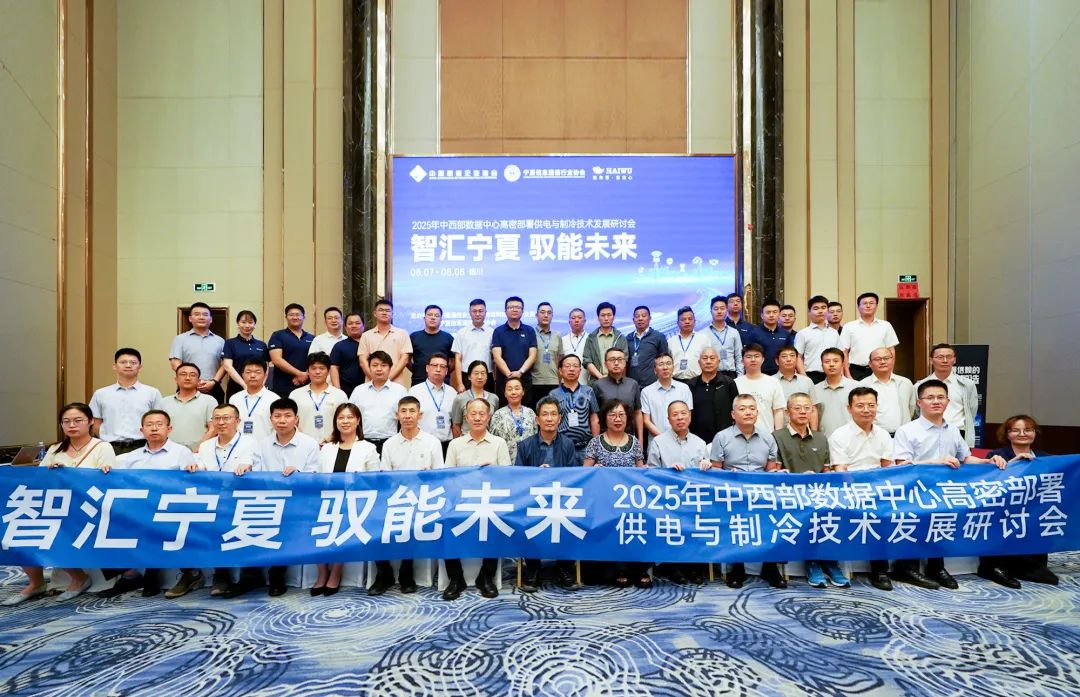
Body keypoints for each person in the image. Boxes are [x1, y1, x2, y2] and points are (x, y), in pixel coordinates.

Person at [889, 380, 1007, 591]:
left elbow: (965, 458)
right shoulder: (906, 430)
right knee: (914, 523)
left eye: (940, 397)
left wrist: (987, 461)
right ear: (919, 403)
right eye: (930, 397)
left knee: (941, 523)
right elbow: (902, 465)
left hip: (945, 490)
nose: (936, 401)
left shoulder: (952, 429)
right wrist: (935, 462)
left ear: (948, 401)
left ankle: (936, 567)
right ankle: (906, 568)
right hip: (915, 490)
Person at [2, 403, 115, 606]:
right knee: (16, 529)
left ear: (90, 422)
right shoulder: (55, 449)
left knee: (56, 530)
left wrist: (74, 476)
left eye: (78, 420)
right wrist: (52, 473)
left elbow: (106, 483)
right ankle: (36, 583)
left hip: (87, 508)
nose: (72, 425)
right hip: (56, 506)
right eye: (66, 421)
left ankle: (79, 578)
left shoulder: (102, 447)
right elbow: (40, 482)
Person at [104, 410, 197, 598]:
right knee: (105, 522)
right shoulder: (131, 457)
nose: (154, 428)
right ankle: (129, 574)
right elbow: (120, 482)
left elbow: (190, 484)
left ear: (169, 429)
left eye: (159, 424)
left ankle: (163, 574)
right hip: (139, 509)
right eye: (149, 425)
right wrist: (106, 470)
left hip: (171, 509)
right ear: (141, 430)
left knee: (160, 525)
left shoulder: (181, 452)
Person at [706, 395, 784, 589]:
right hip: (733, 494)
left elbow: (770, 470)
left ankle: (770, 567)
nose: (748, 412)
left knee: (775, 517)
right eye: (742, 409)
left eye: (752, 408)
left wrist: (777, 473)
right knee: (735, 520)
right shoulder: (722, 437)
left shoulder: (768, 437)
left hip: (761, 494)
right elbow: (715, 471)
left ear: (757, 412)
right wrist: (728, 476)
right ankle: (737, 567)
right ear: (733, 414)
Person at [245, 398, 321, 598]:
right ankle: (251, 575)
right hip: (269, 500)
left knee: (286, 527)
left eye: (287, 416)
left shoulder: (310, 444)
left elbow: (316, 475)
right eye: (277, 416)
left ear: (296, 419)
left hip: (299, 501)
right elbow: (257, 473)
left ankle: (277, 575)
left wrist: (299, 474)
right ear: (270, 419)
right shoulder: (261, 444)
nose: (282, 420)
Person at [772, 393, 849, 589]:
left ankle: (830, 563)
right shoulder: (777, 437)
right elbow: (774, 471)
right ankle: (812, 563)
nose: (803, 412)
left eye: (807, 408)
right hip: (789, 494)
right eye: (797, 408)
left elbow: (826, 471)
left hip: (818, 493)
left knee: (835, 512)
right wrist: (798, 478)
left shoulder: (821, 438)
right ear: (788, 413)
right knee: (808, 514)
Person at [372, 396, 444, 595]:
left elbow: (441, 477)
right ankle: (383, 573)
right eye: (403, 411)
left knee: (412, 520)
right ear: (397, 415)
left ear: (420, 415)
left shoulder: (432, 442)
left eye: (412, 411)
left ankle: (406, 573)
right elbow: (385, 478)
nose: (407, 416)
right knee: (373, 520)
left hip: (423, 499)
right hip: (395, 498)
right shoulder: (389, 444)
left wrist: (428, 476)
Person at [442, 398, 512, 600]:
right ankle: (456, 578)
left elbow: (508, 477)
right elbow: (448, 477)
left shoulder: (499, 443)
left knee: (497, 521)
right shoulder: (455, 444)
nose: (478, 418)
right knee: (445, 522)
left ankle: (486, 576)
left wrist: (494, 471)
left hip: (490, 500)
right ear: (466, 417)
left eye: (482, 414)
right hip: (460, 500)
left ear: (488, 417)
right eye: (473, 414)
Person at [828, 386, 896, 590]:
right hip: (850, 490)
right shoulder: (839, 435)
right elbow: (841, 471)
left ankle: (883, 570)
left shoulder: (883, 435)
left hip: (879, 489)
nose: (866, 410)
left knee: (893, 512)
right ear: (849, 408)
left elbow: (887, 468)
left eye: (871, 405)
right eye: (860, 406)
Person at [192, 403, 262, 598]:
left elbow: (254, 465)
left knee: (246, 536)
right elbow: (200, 467)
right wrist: (193, 467)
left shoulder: (250, 443)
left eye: (226, 418)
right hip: (214, 500)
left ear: (237, 421)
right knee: (215, 536)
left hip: (242, 500)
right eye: (217, 418)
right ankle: (220, 575)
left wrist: (248, 467)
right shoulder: (206, 446)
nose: (221, 422)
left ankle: (250, 576)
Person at [982, 415, 1058, 586]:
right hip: (1004, 512)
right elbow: (989, 481)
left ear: (1035, 433)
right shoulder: (997, 455)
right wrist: (1013, 463)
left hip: (1034, 512)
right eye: (1015, 430)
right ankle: (994, 567)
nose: (1022, 434)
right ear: (1007, 434)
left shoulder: (1045, 458)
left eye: (1028, 430)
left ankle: (1028, 565)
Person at [314, 403, 379, 596]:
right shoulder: (327, 448)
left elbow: (375, 479)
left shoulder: (368, 448)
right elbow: (317, 475)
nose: (345, 421)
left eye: (350, 417)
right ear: (335, 421)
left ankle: (336, 571)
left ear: (358, 420)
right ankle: (322, 572)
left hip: (354, 503)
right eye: (341, 417)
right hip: (326, 500)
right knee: (316, 527)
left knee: (343, 526)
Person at [515, 396, 579, 592]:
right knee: (526, 520)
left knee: (569, 518)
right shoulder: (525, 445)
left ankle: (564, 569)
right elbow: (518, 479)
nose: (549, 418)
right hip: (533, 501)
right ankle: (533, 571)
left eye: (553, 414)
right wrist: (537, 475)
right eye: (545, 414)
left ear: (560, 418)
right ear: (537, 419)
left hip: (561, 500)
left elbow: (574, 477)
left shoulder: (568, 444)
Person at [583, 399, 648, 588]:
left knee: (639, 522)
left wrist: (645, 470)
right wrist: (594, 470)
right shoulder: (595, 443)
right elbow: (583, 473)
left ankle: (639, 569)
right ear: (605, 418)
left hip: (630, 501)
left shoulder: (634, 442)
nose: (617, 419)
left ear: (627, 418)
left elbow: (641, 471)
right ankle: (618, 570)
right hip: (604, 501)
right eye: (612, 415)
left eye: (621, 415)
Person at [647, 400, 711, 586]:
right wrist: (668, 471)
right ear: (668, 419)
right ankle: (672, 567)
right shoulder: (658, 442)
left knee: (696, 526)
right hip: (667, 500)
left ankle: (693, 566)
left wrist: (706, 466)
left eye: (683, 413)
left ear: (690, 416)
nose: (680, 418)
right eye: (675, 414)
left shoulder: (700, 443)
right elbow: (650, 473)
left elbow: (708, 476)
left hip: (693, 500)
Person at [90, 348, 165, 455]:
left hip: (143, 446)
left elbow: (159, 421)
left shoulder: (152, 393)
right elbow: (95, 423)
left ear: (140, 367)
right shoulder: (101, 394)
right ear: (114, 366)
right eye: (123, 362)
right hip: (110, 448)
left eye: (133, 363)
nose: (128, 365)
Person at [915, 343, 978, 447]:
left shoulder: (967, 384)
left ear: (954, 360)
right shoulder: (920, 385)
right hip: (928, 433)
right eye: (940, 357)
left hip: (959, 433)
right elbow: (917, 411)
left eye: (948, 357)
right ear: (931, 360)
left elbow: (972, 411)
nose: (945, 360)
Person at [348, 350, 407, 454]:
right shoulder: (359, 390)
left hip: (391, 443)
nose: (379, 369)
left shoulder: (400, 391)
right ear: (369, 368)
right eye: (375, 365)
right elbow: (349, 415)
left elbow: (406, 417)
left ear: (390, 368)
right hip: (364, 443)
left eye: (383, 365)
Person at [548, 354, 601, 465]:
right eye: (567, 366)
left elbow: (594, 419)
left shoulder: (588, 391)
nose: (571, 369)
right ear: (560, 370)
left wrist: (595, 446)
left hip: (585, 448)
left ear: (580, 370)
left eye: (575, 366)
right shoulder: (553, 394)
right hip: (561, 447)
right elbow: (551, 421)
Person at [169, 301, 226, 402]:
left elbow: (224, 365)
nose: (201, 317)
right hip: (187, 386)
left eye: (205, 315)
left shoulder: (220, 341)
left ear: (211, 319)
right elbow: (175, 363)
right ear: (190, 318)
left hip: (213, 387)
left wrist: (214, 382)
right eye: (197, 314)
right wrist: (192, 380)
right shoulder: (180, 339)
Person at [290, 352, 348, 443]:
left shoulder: (339, 395)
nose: (317, 372)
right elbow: (291, 423)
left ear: (328, 371)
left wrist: (328, 441)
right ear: (308, 371)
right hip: (303, 445)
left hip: (332, 445)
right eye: (313, 368)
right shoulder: (295, 395)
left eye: (322, 368)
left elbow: (345, 422)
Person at [840, 292, 898, 380]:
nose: (868, 306)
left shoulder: (886, 325)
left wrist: (890, 372)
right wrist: (847, 375)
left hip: (880, 369)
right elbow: (844, 352)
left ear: (876, 306)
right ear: (858, 307)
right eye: (864, 303)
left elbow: (891, 350)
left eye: (871, 303)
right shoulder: (849, 326)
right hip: (856, 371)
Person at [491, 295, 538, 404]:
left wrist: (520, 372)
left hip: (524, 378)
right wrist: (509, 375)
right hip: (504, 380)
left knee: (525, 409)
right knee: (504, 409)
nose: (514, 309)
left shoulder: (529, 331)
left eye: (518, 307)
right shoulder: (498, 331)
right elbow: (497, 357)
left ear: (522, 311)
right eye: (511, 307)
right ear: (505, 311)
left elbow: (532, 356)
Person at [859, 346, 916, 435]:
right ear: (870, 364)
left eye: (886, 358)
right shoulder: (862, 385)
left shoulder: (905, 383)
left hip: (903, 436)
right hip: (874, 436)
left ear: (893, 360)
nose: (882, 362)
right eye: (877, 359)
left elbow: (911, 408)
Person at [160, 362, 217, 451]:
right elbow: (159, 428)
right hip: (169, 452)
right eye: (183, 374)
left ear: (198, 381)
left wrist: (200, 448)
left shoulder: (209, 401)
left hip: (199, 452)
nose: (187, 378)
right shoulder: (164, 402)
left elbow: (213, 428)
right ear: (176, 379)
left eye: (192, 375)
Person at [592, 347, 643, 443]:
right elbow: (595, 416)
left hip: (629, 438)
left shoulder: (633, 384)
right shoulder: (598, 385)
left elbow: (637, 413)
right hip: (605, 439)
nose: (616, 363)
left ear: (625, 363)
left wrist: (640, 440)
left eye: (620, 359)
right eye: (612, 360)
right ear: (605, 364)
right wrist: (596, 443)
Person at [687, 347, 738, 444]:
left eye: (712, 358)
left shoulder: (728, 383)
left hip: (725, 439)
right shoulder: (691, 384)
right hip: (697, 439)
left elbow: (736, 410)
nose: (708, 361)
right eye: (705, 358)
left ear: (718, 362)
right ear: (699, 362)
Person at [359, 298, 413, 387]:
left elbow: (404, 360)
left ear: (392, 314)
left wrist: (387, 380)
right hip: (371, 385)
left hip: (396, 384)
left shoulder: (402, 334)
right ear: (375, 313)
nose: (384, 313)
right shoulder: (366, 335)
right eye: (381, 310)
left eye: (388, 310)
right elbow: (363, 361)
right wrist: (375, 380)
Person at [408, 352, 454, 454]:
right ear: (427, 368)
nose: (438, 369)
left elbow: (455, 423)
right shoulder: (415, 391)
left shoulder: (452, 393)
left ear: (446, 371)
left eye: (442, 366)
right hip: (422, 445)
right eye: (434, 365)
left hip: (446, 445)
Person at [734, 344, 785, 435]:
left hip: (767, 435)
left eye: (757, 356)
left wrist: (778, 435)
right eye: (749, 357)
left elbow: (778, 411)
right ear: (742, 361)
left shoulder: (773, 382)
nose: (753, 359)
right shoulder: (734, 383)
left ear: (763, 359)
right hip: (740, 436)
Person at [641, 353, 694, 438]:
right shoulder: (646, 392)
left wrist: (676, 437)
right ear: (655, 370)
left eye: (668, 363)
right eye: (661, 364)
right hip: (657, 441)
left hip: (681, 439)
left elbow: (688, 416)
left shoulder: (684, 388)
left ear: (673, 367)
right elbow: (646, 421)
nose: (665, 367)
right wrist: (664, 439)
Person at [267, 303, 315, 396]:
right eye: (291, 315)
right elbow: (276, 359)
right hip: (283, 386)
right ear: (286, 317)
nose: (295, 317)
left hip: (308, 385)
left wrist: (306, 375)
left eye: (298, 315)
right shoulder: (278, 335)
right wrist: (299, 374)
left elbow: (316, 360)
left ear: (304, 317)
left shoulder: (312, 338)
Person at [811, 347, 858, 438]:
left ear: (843, 364)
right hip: (824, 439)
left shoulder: (856, 387)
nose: (831, 364)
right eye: (827, 362)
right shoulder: (814, 390)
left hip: (851, 439)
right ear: (822, 366)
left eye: (836, 361)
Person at [222, 309, 268, 401]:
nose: (247, 326)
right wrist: (244, 384)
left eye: (250, 322)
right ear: (238, 323)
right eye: (243, 322)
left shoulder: (261, 344)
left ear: (254, 325)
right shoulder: (230, 343)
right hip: (236, 386)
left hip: (258, 387)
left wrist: (262, 384)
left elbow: (265, 367)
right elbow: (227, 366)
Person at [488, 376, 538, 463]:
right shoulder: (498, 415)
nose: (513, 392)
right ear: (505, 393)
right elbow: (493, 441)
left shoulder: (530, 413)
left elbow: (536, 437)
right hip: (505, 462)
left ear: (523, 392)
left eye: (517, 388)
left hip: (529, 461)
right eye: (509, 389)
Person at [451, 298, 494, 393]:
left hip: (487, 377)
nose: (477, 314)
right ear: (470, 313)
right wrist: (459, 383)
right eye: (474, 311)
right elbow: (458, 359)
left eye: (480, 311)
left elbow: (495, 359)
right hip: (467, 376)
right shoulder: (461, 333)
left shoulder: (493, 333)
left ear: (485, 312)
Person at [794, 295, 840, 383]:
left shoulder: (834, 333)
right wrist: (804, 377)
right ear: (809, 312)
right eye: (816, 308)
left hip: (832, 375)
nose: (820, 311)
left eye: (823, 308)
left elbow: (839, 356)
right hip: (811, 376)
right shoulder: (803, 333)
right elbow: (798, 357)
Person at [228, 359, 278, 440]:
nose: (252, 375)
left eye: (257, 372)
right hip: (239, 445)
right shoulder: (234, 399)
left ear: (265, 375)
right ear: (242, 375)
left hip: (265, 445)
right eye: (248, 372)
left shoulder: (274, 399)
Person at [451, 361, 501, 438]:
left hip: (487, 441)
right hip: (466, 441)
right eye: (476, 373)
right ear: (469, 376)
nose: (480, 377)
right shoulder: (460, 398)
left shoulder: (494, 398)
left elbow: (494, 424)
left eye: (483, 373)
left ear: (487, 376)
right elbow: (456, 426)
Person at [409, 304, 454, 387]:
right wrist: (417, 370)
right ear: (424, 318)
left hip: (442, 382)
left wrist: (441, 371)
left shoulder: (448, 338)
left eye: (436, 316)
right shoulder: (414, 337)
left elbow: (453, 362)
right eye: (430, 315)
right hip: (419, 381)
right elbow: (407, 360)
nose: (433, 318)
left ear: (441, 319)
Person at [582, 302, 628, 382]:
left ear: (613, 317)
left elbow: (624, 360)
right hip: (596, 381)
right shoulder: (591, 338)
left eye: (609, 315)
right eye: (603, 315)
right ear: (598, 318)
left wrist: (617, 379)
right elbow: (587, 361)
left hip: (617, 381)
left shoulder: (621, 338)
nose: (606, 318)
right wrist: (601, 378)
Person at [530, 301, 563, 408]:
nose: (546, 315)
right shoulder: (530, 333)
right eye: (542, 312)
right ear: (536, 315)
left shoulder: (557, 335)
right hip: (534, 382)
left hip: (553, 382)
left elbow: (560, 360)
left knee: (552, 413)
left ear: (552, 316)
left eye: (549, 313)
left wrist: (559, 382)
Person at [626, 305, 669, 386]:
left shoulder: (658, 337)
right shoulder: (628, 338)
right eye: (637, 316)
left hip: (652, 384)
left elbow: (664, 361)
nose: (640, 319)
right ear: (633, 320)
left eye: (644, 316)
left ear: (649, 318)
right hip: (632, 385)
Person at [775, 346, 816, 427]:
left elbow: (813, 409)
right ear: (777, 361)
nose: (789, 359)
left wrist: (814, 431)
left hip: (803, 431)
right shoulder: (770, 381)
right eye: (784, 356)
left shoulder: (807, 381)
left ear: (797, 360)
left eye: (792, 356)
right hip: (778, 430)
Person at [751, 298, 794, 375]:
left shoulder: (785, 334)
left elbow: (791, 354)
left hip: (782, 374)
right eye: (768, 312)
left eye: (775, 312)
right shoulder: (754, 333)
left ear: (779, 315)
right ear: (762, 315)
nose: (771, 315)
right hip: (761, 374)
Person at [329, 312, 366, 396]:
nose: (354, 326)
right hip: (346, 390)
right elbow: (333, 368)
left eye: (357, 323)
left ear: (363, 326)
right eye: (350, 323)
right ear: (345, 327)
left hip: (368, 388)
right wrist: (338, 391)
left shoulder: (370, 343)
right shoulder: (339, 346)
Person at [705, 295, 743, 377]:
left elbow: (739, 356)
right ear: (711, 311)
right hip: (711, 374)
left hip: (731, 374)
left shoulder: (734, 332)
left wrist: (740, 377)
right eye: (716, 309)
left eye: (722, 308)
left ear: (727, 310)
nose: (719, 311)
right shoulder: (703, 334)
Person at [670, 306, 705, 381]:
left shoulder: (703, 340)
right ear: (677, 323)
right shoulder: (670, 342)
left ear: (695, 321)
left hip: (698, 381)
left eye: (690, 319)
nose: (687, 322)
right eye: (683, 319)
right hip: (676, 380)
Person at [564, 308, 590, 373]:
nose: (576, 320)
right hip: (567, 378)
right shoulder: (563, 340)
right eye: (573, 318)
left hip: (587, 378)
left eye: (580, 318)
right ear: (569, 322)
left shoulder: (591, 339)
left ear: (584, 321)